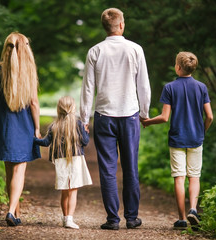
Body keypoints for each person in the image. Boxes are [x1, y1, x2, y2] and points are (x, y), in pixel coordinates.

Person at [80, 8, 151, 230]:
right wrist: (145, 113)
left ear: (105, 26)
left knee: (108, 169)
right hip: (129, 115)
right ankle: (132, 218)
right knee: (131, 167)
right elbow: (144, 85)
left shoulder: (95, 51)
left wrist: (84, 118)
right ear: (121, 25)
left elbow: (88, 88)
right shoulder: (135, 49)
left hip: (104, 116)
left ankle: (112, 219)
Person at [140, 51, 213, 230]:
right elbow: (210, 116)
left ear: (178, 67)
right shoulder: (201, 87)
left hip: (177, 138)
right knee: (194, 177)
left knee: (179, 178)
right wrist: (201, 131)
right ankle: (193, 210)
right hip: (196, 138)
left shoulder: (170, 87)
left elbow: (165, 118)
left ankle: (181, 219)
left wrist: (148, 122)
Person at [0, 32, 41, 227]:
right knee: (19, 171)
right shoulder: (29, 70)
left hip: (3, 126)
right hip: (23, 127)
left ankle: (15, 212)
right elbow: (34, 103)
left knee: (9, 171)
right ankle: (11, 211)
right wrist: (37, 128)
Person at [34, 96, 92, 229]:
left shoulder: (55, 125)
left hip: (60, 161)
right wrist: (86, 132)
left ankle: (65, 218)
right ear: (73, 108)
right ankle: (69, 219)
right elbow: (85, 142)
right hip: (76, 159)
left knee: (65, 191)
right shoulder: (78, 124)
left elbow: (45, 142)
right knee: (73, 190)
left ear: (58, 109)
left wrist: (33, 139)